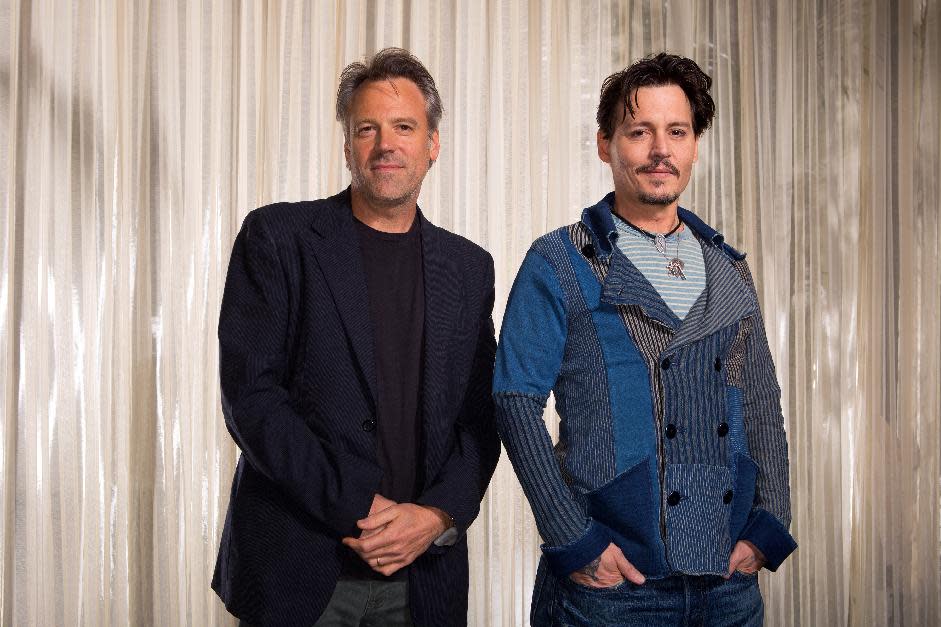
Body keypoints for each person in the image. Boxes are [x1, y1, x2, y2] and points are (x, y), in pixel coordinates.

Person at [493, 52, 797, 626]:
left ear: (695, 146)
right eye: (640, 132)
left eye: (676, 132)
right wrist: (571, 538)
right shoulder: (560, 260)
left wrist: (769, 524)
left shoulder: (728, 269)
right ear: (606, 144)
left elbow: (761, 402)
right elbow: (513, 398)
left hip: (728, 589)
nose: (661, 150)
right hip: (610, 592)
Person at [212, 47, 500, 627]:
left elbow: (479, 417)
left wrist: (438, 515)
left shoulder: (469, 268)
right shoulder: (278, 237)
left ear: (432, 144)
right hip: (298, 575)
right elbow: (253, 400)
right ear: (348, 146)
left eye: (403, 127)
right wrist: (358, 506)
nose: (385, 144)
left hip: (424, 584)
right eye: (367, 129)